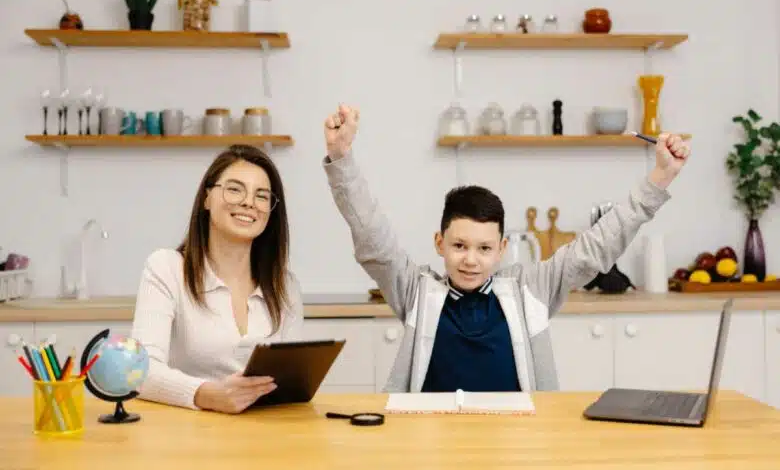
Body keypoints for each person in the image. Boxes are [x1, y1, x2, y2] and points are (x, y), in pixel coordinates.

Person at [322, 104, 690, 393]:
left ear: (502, 248)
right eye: (459, 245)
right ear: (439, 243)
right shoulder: (415, 290)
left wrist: (661, 177)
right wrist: (341, 159)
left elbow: (596, 246)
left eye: (484, 248)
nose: (470, 259)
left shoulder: (532, 288)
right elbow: (371, 235)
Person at [130, 144, 303, 413]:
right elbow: (141, 371)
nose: (248, 202)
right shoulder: (166, 268)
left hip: (265, 436)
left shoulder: (286, 286)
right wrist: (206, 394)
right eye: (235, 189)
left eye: (262, 195)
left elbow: (292, 380)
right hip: (188, 436)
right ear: (207, 198)